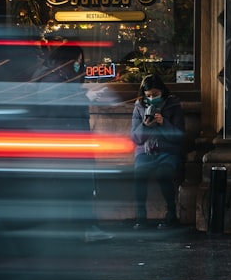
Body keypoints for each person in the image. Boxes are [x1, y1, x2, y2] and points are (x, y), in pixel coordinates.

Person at [36, 42, 112, 242]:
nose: (79, 66)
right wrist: (86, 96)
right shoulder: (51, 80)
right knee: (77, 187)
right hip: (66, 146)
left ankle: (84, 228)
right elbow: (57, 108)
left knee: (79, 188)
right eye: (77, 62)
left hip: (72, 144)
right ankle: (83, 228)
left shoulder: (59, 78)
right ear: (65, 61)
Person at [130, 74, 185, 229]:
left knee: (163, 174)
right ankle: (141, 217)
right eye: (148, 96)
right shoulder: (139, 106)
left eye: (155, 95)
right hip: (145, 152)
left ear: (162, 92)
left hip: (168, 151)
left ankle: (171, 214)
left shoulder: (173, 105)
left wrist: (163, 123)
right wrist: (145, 126)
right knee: (139, 174)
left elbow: (179, 136)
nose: (152, 98)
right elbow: (135, 138)